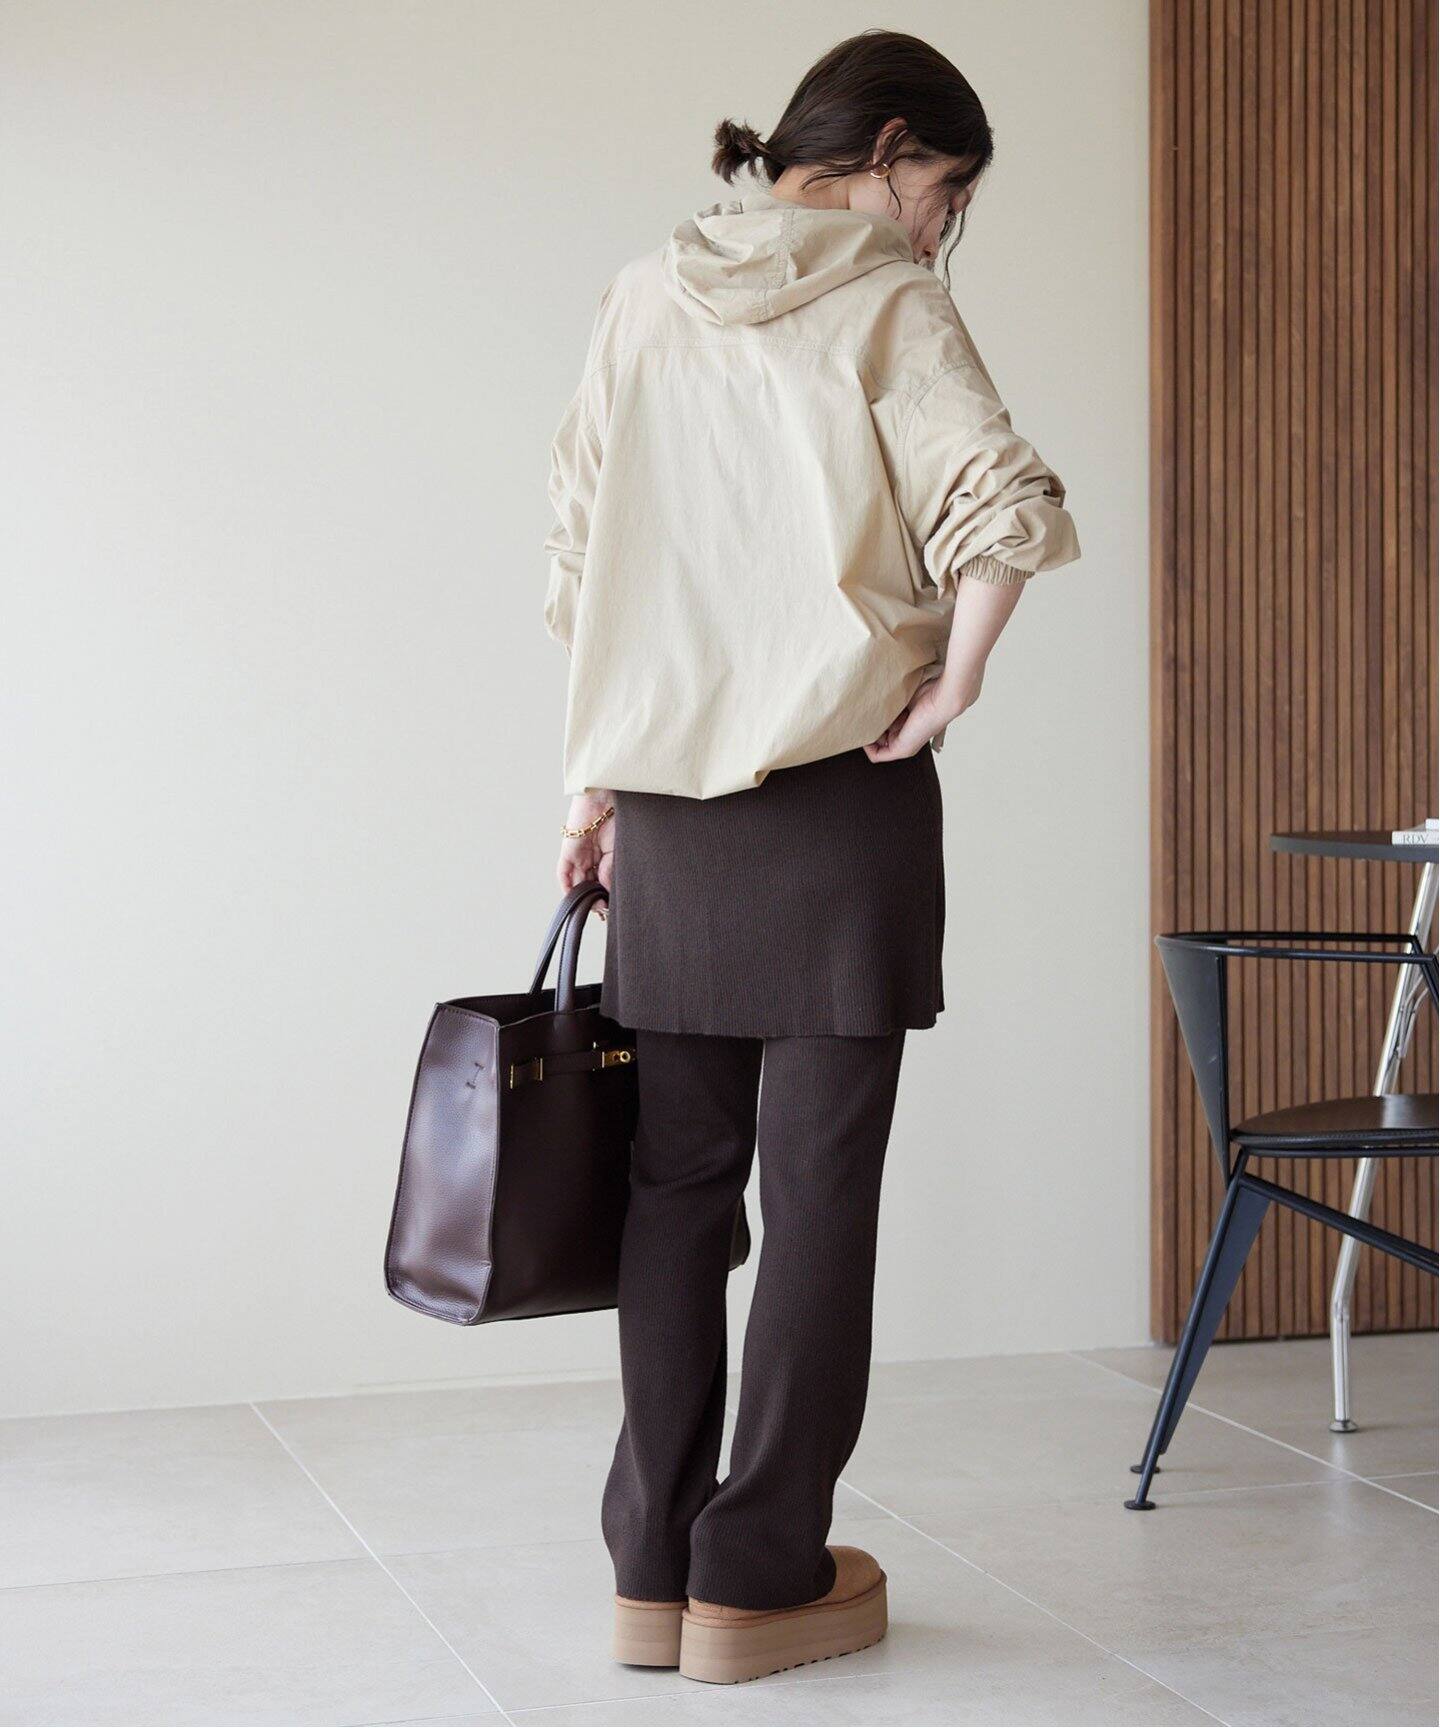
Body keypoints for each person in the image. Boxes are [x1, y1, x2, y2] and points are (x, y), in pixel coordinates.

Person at [542, 27, 1080, 1688]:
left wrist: (598, 789)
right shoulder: (891, 299)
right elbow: (999, 500)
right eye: (948, 192)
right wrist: (954, 682)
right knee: (819, 1191)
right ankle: (759, 1568)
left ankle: (653, 1566)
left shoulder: (643, 295)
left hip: (670, 809)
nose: (942, 229)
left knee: (676, 1187)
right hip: (842, 802)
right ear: (891, 146)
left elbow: (582, 554)